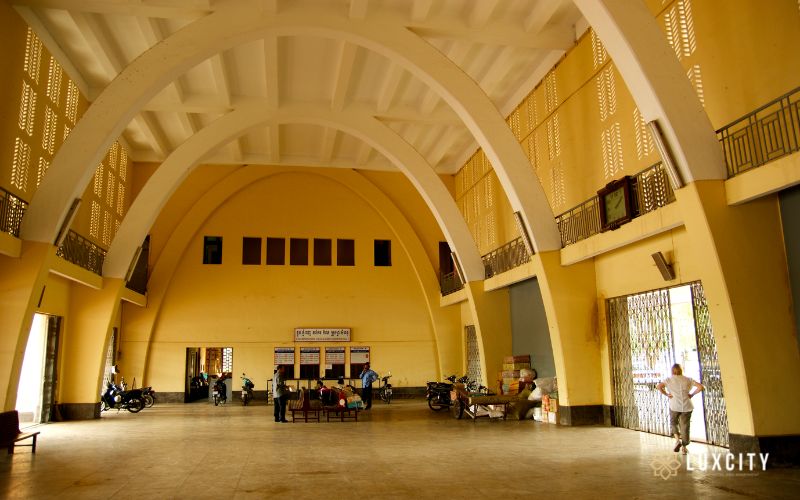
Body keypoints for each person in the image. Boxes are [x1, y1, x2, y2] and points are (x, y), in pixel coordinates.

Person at [657, 363, 704, 454]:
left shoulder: (668, 380)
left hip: (674, 405)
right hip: (687, 406)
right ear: (681, 370)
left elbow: (659, 387)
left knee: (673, 423)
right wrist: (692, 394)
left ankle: (677, 440)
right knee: (685, 426)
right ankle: (684, 448)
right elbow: (700, 387)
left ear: (672, 371)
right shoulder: (688, 379)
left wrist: (667, 394)